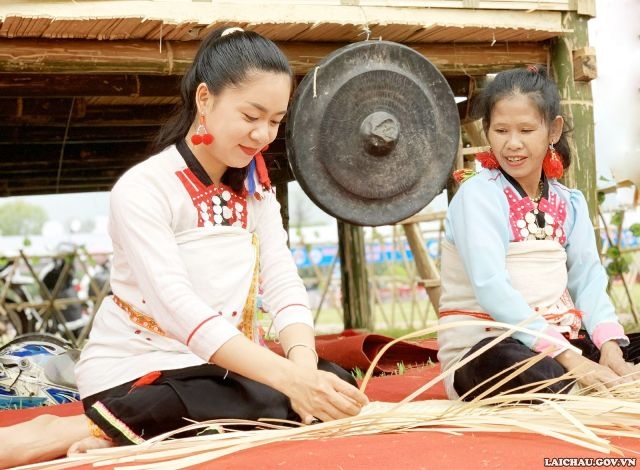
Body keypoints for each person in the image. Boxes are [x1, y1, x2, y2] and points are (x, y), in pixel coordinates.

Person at [0, 27, 368, 468]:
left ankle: (122, 434)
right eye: (251, 116)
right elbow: (179, 308)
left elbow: (284, 280)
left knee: (334, 382)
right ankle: (72, 428)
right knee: (246, 396)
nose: (262, 135)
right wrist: (290, 382)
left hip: (222, 372)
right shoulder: (144, 188)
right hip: (140, 372)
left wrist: (304, 370)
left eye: (275, 121)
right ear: (206, 100)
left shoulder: (258, 193)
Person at [437, 65, 640, 401]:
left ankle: (597, 380)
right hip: (489, 351)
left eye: (526, 130)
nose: (512, 143)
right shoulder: (478, 196)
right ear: (487, 130)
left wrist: (609, 350)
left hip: (563, 345)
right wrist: (572, 359)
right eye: (501, 130)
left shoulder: (568, 202)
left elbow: (587, 280)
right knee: (514, 364)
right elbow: (492, 287)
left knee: (619, 347)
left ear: (553, 130)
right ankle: (591, 386)